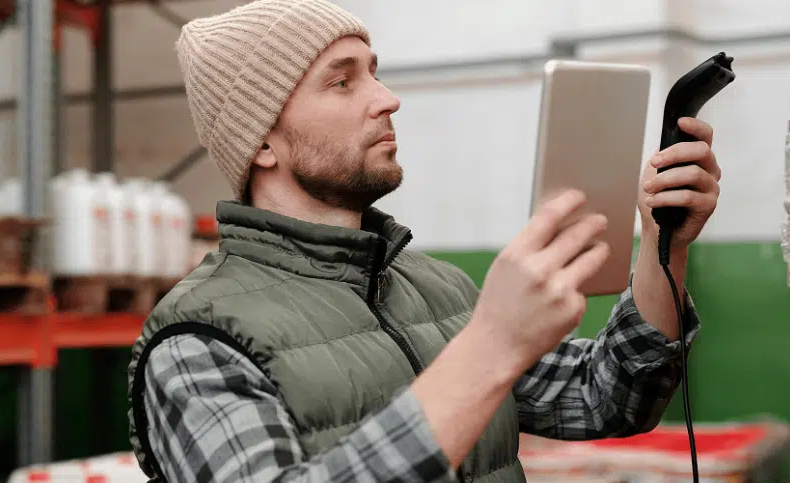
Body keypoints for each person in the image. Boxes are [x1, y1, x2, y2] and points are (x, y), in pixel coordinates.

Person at [126, 1, 722, 481]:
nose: (387, 99)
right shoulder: (196, 342)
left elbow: (608, 398)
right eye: (341, 82)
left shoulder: (437, 290)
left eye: (374, 73)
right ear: (261, 144)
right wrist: (490, 346)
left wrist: (663, 243)